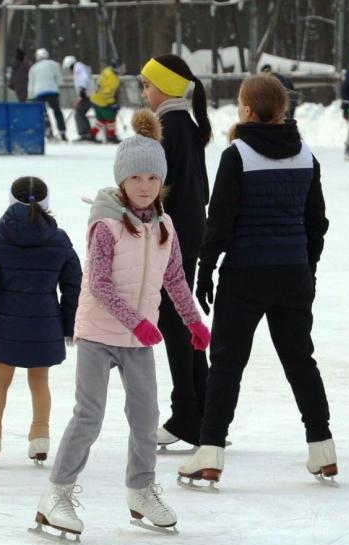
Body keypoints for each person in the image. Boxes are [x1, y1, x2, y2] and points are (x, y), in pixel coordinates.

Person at [31, 110, 211, 540]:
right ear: (122, 182)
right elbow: (99, 284)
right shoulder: (107, 225)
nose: (145, 186)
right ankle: (55, 493)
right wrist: (139, 322)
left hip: (138, 338)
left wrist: (194, 321)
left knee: (145, 416)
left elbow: (175, 280)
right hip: (99, 333)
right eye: (137, 179)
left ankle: (140, 489)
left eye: (152, 178)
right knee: (89, 417)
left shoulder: (165, 226)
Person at [177, 75, 334, 490]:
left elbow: (221, 221)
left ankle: (210, 451)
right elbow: (316, 222)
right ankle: (322, 446)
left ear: (246, 110)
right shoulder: (306, 156)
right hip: (292, 273)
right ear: (282, 109)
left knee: (227, 363)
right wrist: (307, 266)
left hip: (245, 275)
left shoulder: (238, 155)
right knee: (301, 360)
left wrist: (205, 269)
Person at [0, 177, 81, 466]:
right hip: (45, 324)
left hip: (6, 322)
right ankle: (40, 438)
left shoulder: (0, 237)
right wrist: (70, 326)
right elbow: (73, 286)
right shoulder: (59, 238)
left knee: (0, 380)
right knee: (39, 380)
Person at [139, 54, 212, 452]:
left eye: (147, 85)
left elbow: (163, 190)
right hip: (185, 234)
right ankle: (205, 411)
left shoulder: (170, 127)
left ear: (164, 86)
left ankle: (188, 413)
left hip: (173, 239)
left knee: (176, 324)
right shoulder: (186, 125)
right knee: (183, 323)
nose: (145, 92)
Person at [28, 48, 66, 141]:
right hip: (52, 91)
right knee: (57, 111)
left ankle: (48, 131)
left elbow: (31, 83)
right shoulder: (54, 64)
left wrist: (30, 96)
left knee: (43, 113)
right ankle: (62, 131)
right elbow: (59, 79)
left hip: (39, 92)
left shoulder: (33, 68)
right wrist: (58, 85)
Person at [88, 59, 122, 144]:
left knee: (101, 119)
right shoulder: (113, 79)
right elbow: (106, 94)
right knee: (111, 117)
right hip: (102, 101)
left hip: (95, 98)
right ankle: (111, 136)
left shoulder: (107, 70)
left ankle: (92, 134)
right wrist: (113, 103)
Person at [62, 55, 95, 141]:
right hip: (88, 94)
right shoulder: (80, 67)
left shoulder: (78, 67)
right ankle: (87, 132)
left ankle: (84, 133)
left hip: (89, 94)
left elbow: (84, 78)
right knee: (80, 112)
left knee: (79, 112)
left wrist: (82, 89)